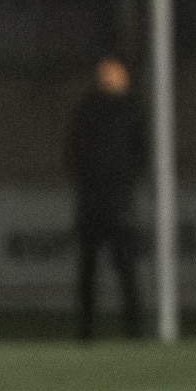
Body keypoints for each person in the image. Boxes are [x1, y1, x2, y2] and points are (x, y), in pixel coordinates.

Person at [65, 52, 147, 340]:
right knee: (106, 269)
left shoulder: (123, 109)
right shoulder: (113, 108)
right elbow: (73, 152)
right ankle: (108, 330)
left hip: (105, 201)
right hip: (105, 201)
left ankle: (117, 329)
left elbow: (72, 152)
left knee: (111, 269)